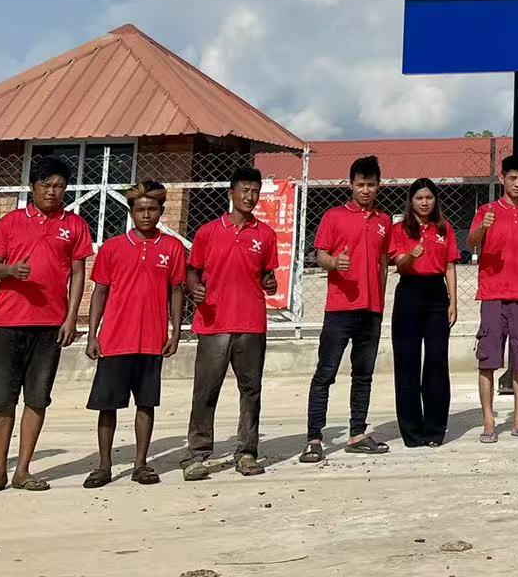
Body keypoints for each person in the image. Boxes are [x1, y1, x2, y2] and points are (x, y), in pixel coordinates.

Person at [0, 155, 93, 495]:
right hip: (7, 323)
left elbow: (79, 272)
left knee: (38, 397)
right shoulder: (10, 222)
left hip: (50, 325)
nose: (52, 192)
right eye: (46, 185)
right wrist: (11, 271)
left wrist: (71, 317)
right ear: (32, 187)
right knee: (1, 399)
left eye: (59, 186)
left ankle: (23, 470)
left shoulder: (75, 225)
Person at [83, 180, 185, 487]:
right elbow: (100, 291)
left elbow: (176, 291)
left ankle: (141, 464)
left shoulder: (172, 248)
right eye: (140, 209)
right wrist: (92, 334)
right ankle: (104, 466)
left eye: (152, 209)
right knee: (107, 406)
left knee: (146, 404)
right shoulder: (112, 247)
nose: (146, 215)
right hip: (115, 340)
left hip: (152, 340)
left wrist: (175, 331)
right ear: (131, 212)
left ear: (161, 211)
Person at [182, 167, 279, 480]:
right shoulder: (208, 232)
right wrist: (194, 288)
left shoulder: (266, 235)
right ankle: (197, 454)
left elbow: (267, 275)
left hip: (251, 322)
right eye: (244, 191)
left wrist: (270, 282)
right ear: (231, 193)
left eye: (255, 191)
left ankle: (247, 452)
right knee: (205, 390)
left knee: (250, 390)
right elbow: (193, 270)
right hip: (214, 322)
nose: (250, 197)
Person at [301, 155, 395, 463]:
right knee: (325, 373)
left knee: (363, 374)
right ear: (351, 185)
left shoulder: (384, 221)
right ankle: (314, 438)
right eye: (360, 184)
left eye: (371, 185)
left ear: (379, 185)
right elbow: (320, 255)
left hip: (371, 310)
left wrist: (380, 300)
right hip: (340, 310)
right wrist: (334, 262)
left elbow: (384, 262)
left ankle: (357, 433)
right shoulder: (334, 216)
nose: (366, 190)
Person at [469, 154, 518, 443]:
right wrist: (483, 226)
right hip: (493, 296)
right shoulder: (487, 210)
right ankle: (489, 421)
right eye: (511, 178)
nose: (516, 183)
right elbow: (471, 242)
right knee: (488, 360)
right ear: (501, 178)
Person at [390, 178, 459, 448]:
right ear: (411, 201)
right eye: (419, 198)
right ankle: (411, 431)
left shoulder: (444, 228)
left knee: (436, 362)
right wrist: (412, 255)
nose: (424, 203)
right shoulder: (399, 230)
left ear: (435, 201)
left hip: (436, 295)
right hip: (409, 292)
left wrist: (453, 302)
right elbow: (400, 265)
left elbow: (450, 266)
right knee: (407, 362)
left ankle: (434, 430)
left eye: (429, 197)